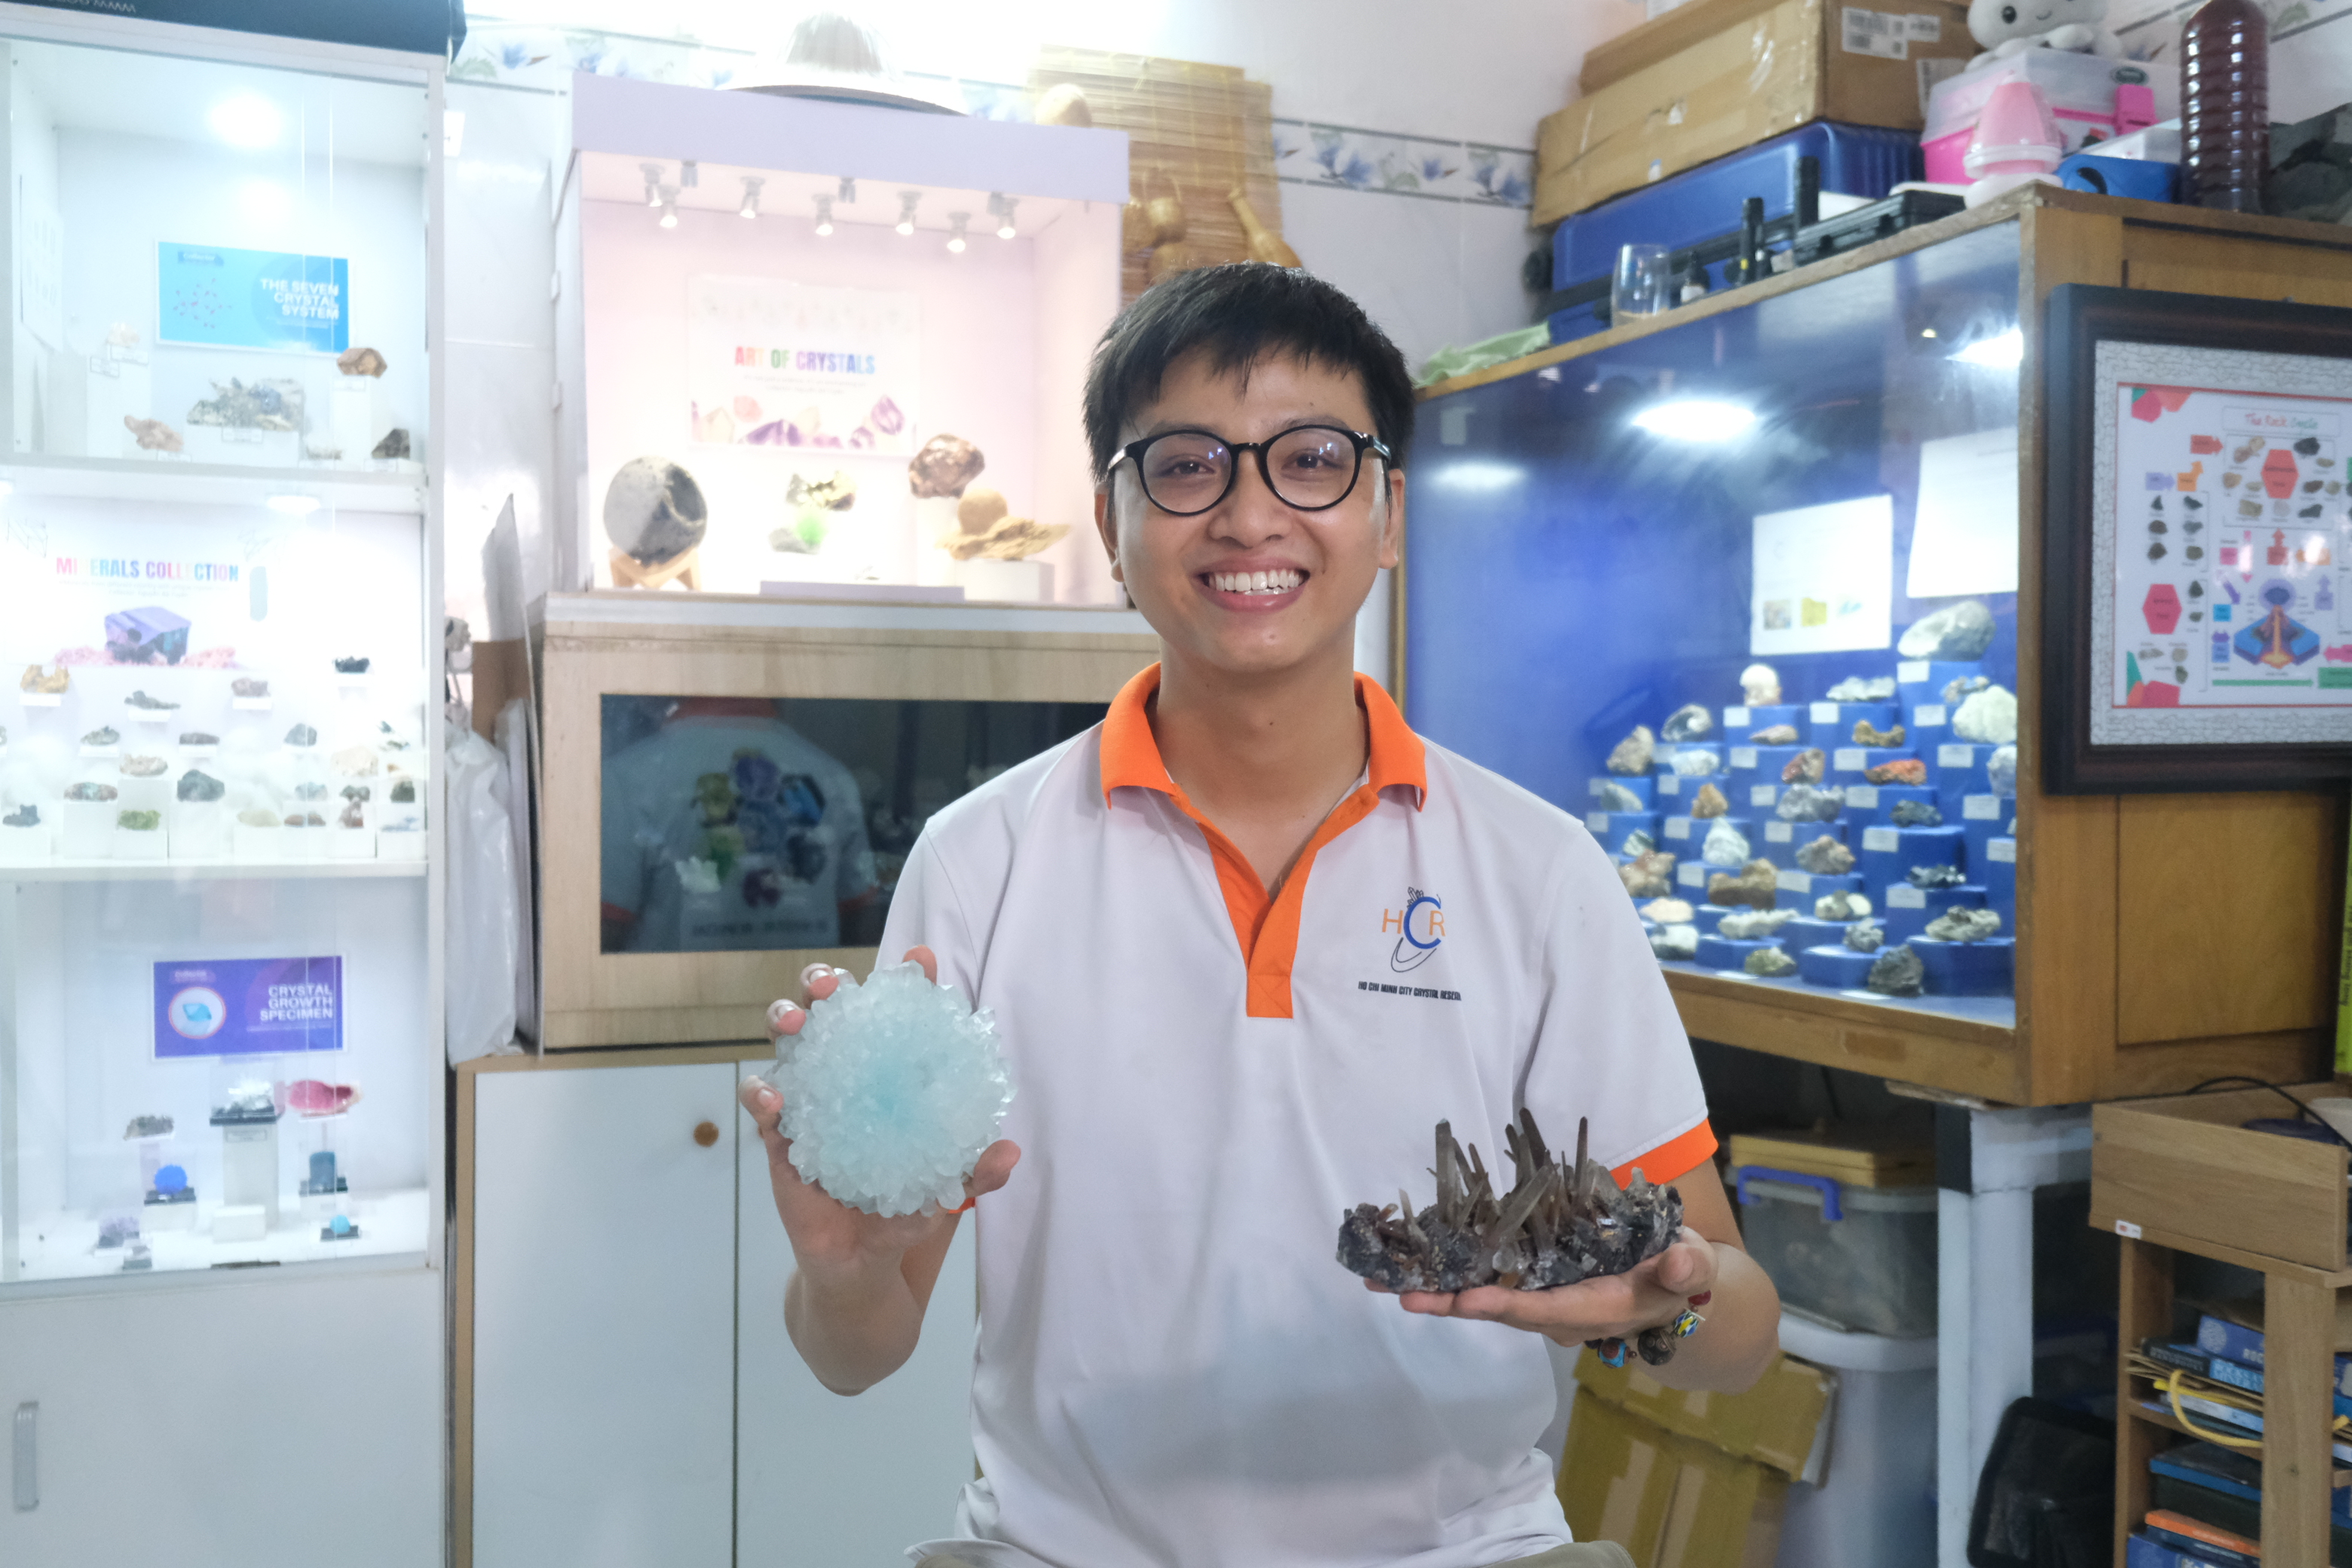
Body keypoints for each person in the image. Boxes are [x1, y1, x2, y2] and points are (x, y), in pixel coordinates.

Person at [738, 264, 1780, 1566]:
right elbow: (857, 1358)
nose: (1248, 515)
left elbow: (1740, 1340)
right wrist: (844, 1275)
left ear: (1389, 512)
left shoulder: (1540, 872)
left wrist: (1660, 1311)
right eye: (1185, 466)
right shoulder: (979, 864)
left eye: (1312, 459)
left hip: (1467, 1551)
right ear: (1112, 522)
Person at [600, 697, 874, 953]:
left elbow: (606, 931)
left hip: (672, 998)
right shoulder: (832, 776)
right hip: (804, 998)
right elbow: (861, 922)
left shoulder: (626, 778)